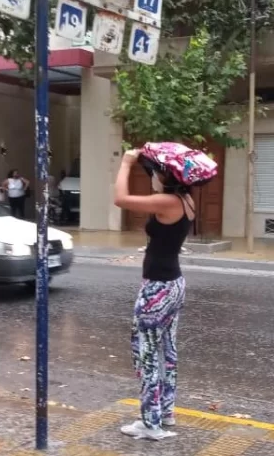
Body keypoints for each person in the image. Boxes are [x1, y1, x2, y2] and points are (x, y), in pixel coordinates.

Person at [113, 149, 196, 441]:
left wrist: (126, 163)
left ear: (167, 178)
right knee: (168, 350)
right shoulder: (186, 199)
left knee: (146, 354)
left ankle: (151, 423)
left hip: (157, 289)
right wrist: (151, 162)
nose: (153, 176)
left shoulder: (168, 201)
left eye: (157, 172)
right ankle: (166, 411)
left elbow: (120, 199)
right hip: (173, 284)